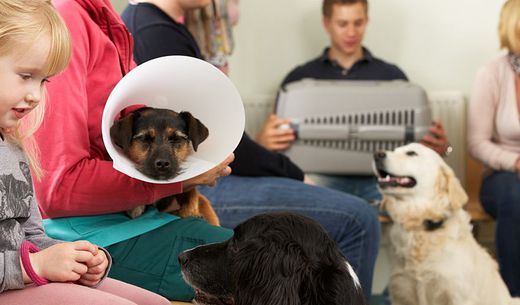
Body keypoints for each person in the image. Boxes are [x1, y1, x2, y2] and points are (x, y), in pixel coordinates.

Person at [121, 0, 381, 301]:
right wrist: (294, 173)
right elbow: (232, 146)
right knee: (358, 219)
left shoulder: (160, 26)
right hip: (204, 183)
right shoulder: (155, 31)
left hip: (213, 174)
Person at [30, 0, 235, 302]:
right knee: (281, 265)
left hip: (131, 220)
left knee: (280, 254)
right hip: (85, 237)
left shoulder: (106, 20)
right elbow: (57, 189)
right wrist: (179, 180)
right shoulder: (69, 19)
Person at [0, 1, 170, 304]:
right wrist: (35, 265)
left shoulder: (13, 145)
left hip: (22, 278)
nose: (35, 96)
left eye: (43, 81)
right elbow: (31, 261)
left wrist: (76, 259)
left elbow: (32, 235)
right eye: (26, 76)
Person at [256, 0, 451, 203]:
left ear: (367, 21)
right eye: (342, 24)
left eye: (358, 23)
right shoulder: (298, 80)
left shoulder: (392, 76)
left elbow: (414, 150)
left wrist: (443, 148)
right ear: (326, 23)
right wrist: (263, 142)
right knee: (299, 199)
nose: (351, 32)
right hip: (320, 178)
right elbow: (276, 146)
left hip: (382, 178)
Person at [468, 0, 520, 297]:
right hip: (502, 176)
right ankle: (513, 296)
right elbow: (477, 143)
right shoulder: (491, 73)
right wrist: (515, 162)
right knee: (516, 196)